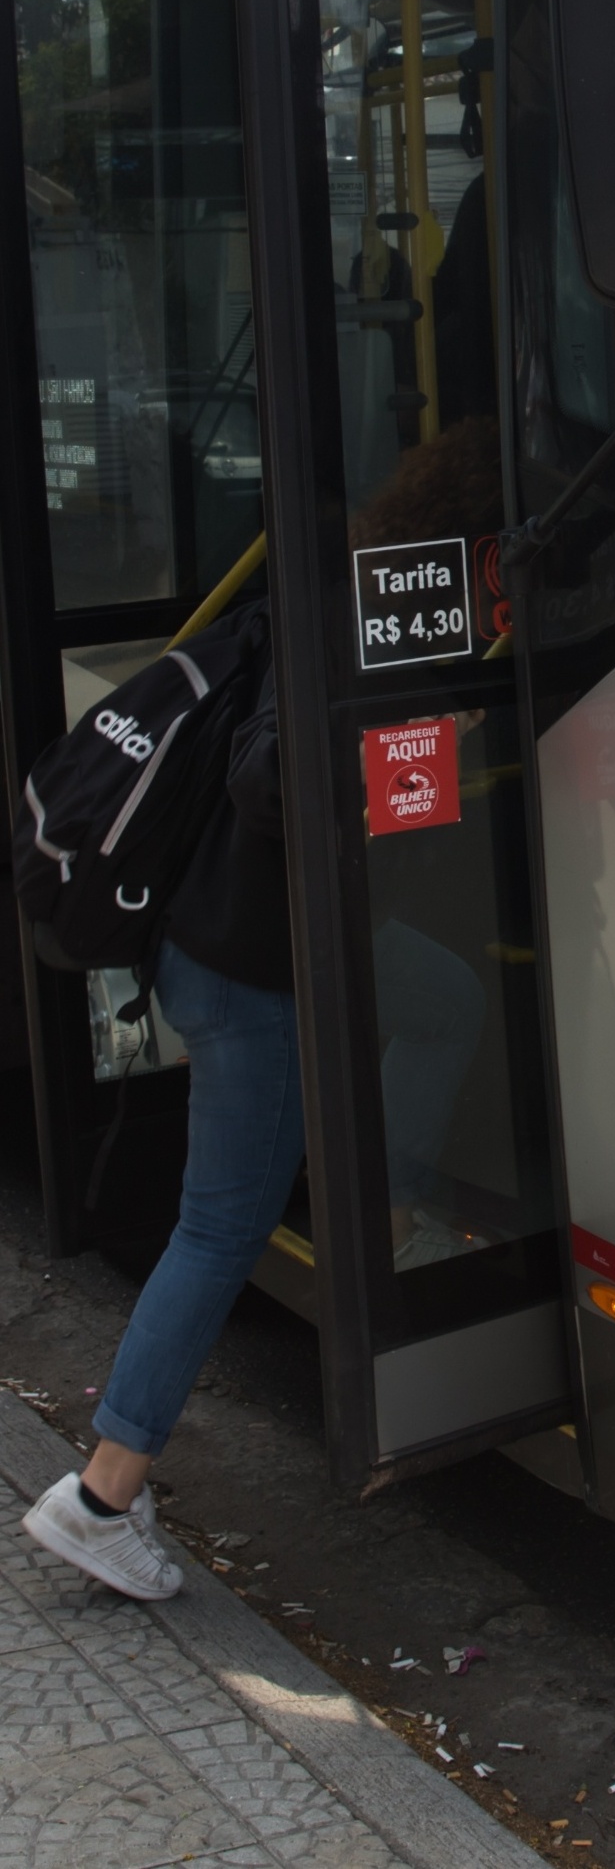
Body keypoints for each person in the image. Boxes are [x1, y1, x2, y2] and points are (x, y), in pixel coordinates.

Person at [22, 657, 299, 1601]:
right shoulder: (334, 622)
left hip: (202, 946)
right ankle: (102, 1497)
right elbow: (270, 785)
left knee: (446, 997)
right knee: (218, 1231)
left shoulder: (274, 608)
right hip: (243, 977)